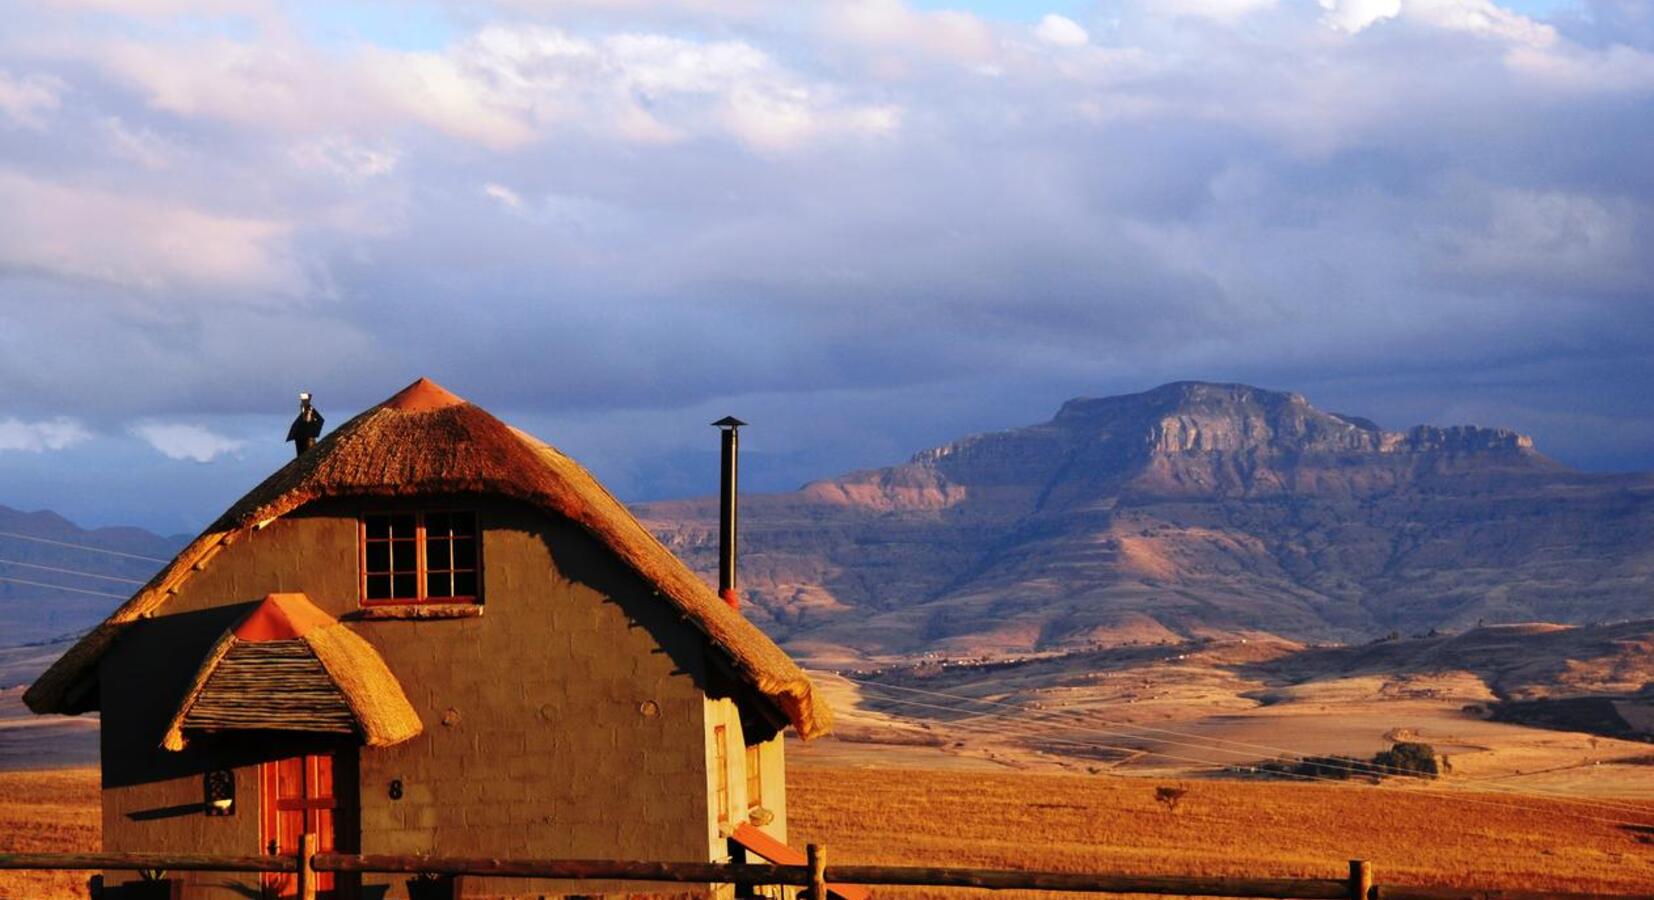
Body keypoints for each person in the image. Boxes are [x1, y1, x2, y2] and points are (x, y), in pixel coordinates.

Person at [286, 392, 324, 456]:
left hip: (307, 437)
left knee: (308, 451)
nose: (302, 400)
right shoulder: (304, 408)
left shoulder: (309, 409)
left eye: (304, 398)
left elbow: (308, 420)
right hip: (302, 437)